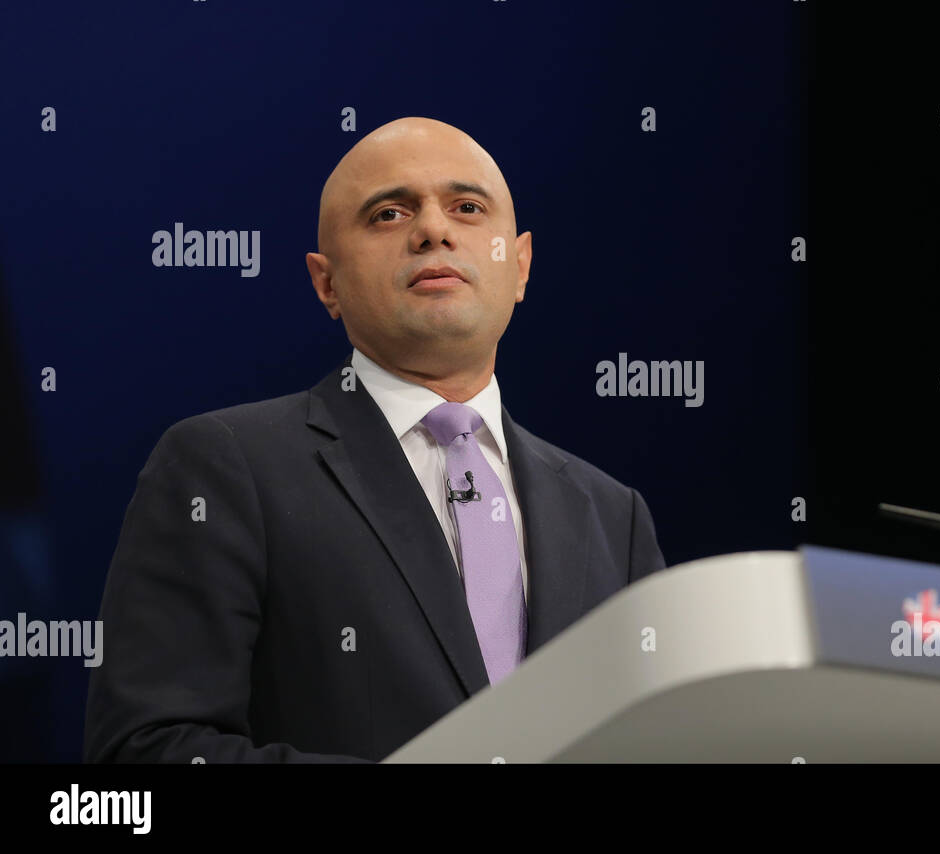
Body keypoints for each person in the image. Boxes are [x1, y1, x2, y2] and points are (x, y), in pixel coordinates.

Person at [84, 117, 667, 763]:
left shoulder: (615, 516)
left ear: (521, 265)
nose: (434, 231)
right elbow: (144, 752)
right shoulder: (224, 466)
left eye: (467, 207)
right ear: (325, 282)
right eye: (389, 214)